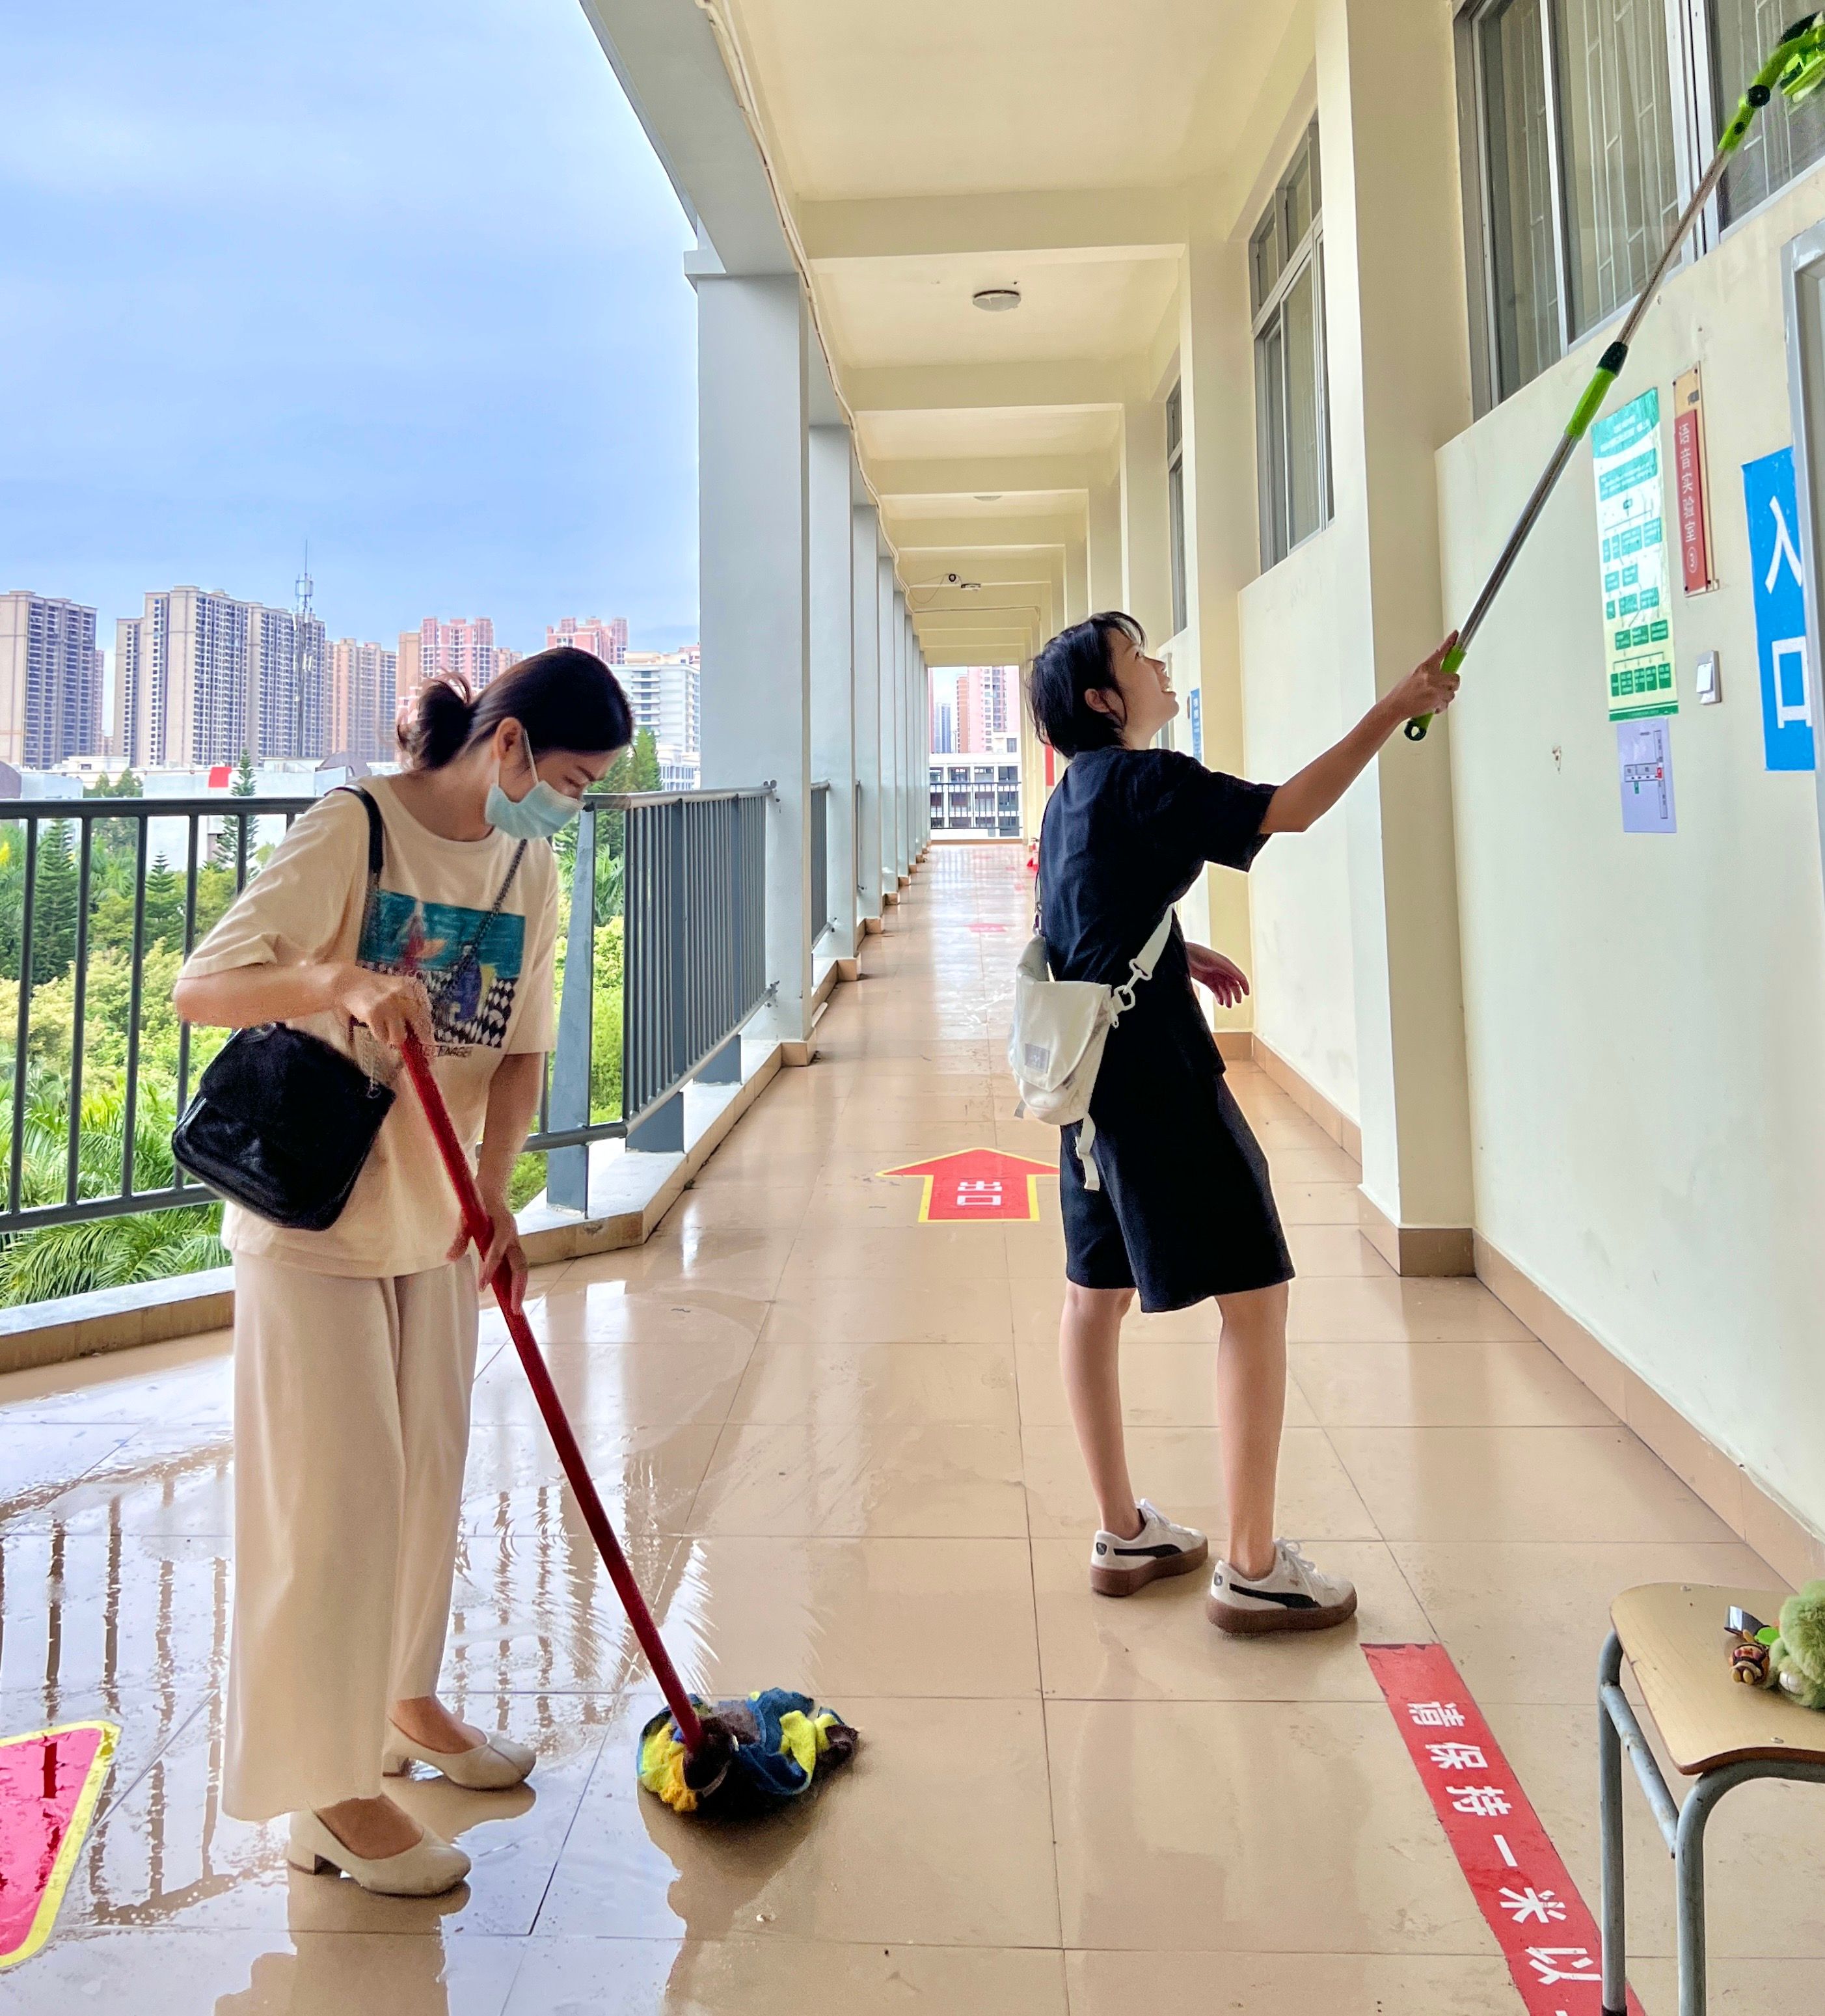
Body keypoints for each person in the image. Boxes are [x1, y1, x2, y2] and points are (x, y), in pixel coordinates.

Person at [172, 647, 630, 1896]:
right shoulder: (356, 825)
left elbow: (522, 1046)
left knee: (426, 1474)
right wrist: (339, 979)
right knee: (336, 1501)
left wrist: (496, 1191)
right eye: (572, 780)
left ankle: (401, 1702)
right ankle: (323, 1795)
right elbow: (201, 986)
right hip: (314, 1217)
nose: (572, 806)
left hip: (435, 1218)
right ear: (510, 743)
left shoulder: (529, 867)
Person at [1029, 612, 1459, 1634]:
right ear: (1103, 698)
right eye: (1138, 657)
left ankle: (1123, 1531)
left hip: (1086, 1086)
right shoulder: (1149, 778)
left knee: (1093, 1296)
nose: (1159, 665)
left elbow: (1078, 917)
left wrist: (1175, 952)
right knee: (1255, 1297)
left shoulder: (1070, 795)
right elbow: (1288, 809)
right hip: (1162, 1084)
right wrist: (1394, 707)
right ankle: (1254, 1566)